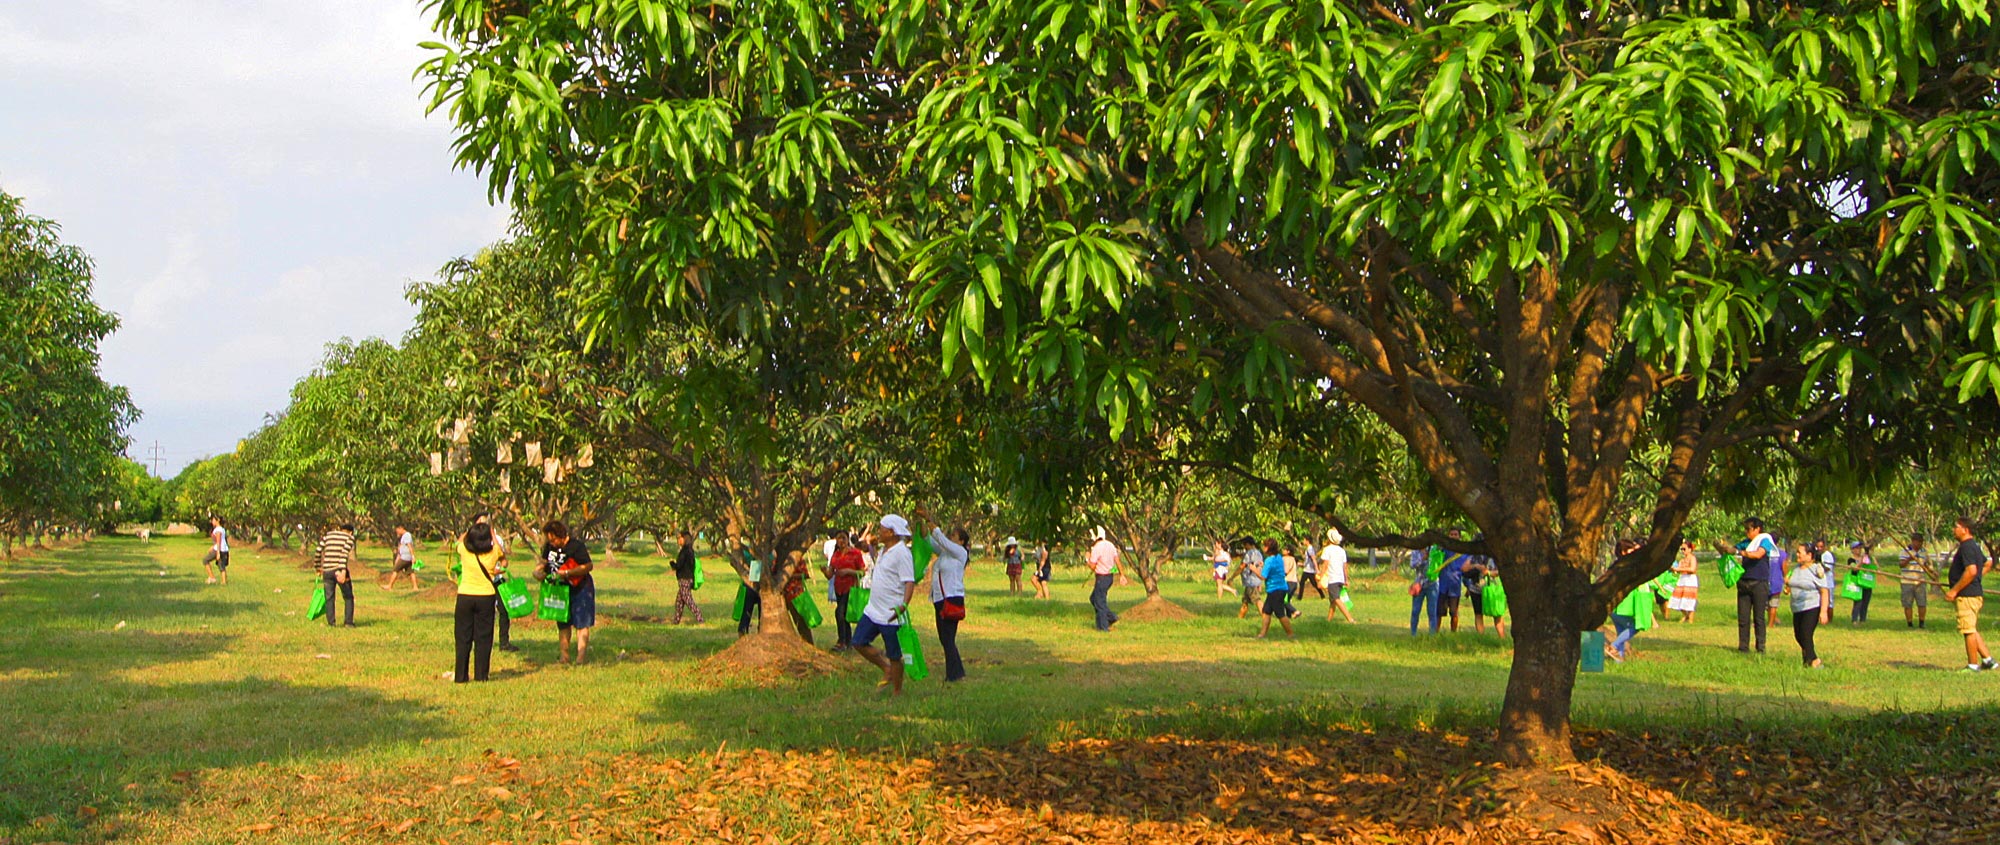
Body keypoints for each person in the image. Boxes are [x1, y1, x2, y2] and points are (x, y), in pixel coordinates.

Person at [852, 515, 917, 695]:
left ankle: (897, 690)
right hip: (873, 609)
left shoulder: (902, 553)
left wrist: (904, 605)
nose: (878, 532)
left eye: (881, 529)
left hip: (891, 613)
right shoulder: (883, 550)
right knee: (858, 642)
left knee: (895, 655)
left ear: (891, 532)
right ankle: (885, 667)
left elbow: (909, 581)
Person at [918, 508, 969, 681]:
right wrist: (922, 522)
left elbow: (939, 537)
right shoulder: (945, 554)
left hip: (951, 598)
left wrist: (928, 516)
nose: (950, 538)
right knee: (945, 638)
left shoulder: (960, 553)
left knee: (947, 638)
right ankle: (955, 672)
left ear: (961, 542)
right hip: (939, 599)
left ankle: (955, 674)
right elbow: (929, 540)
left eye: (954, 536)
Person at [453, 520, 507, 682]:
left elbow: (459, 541)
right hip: (486, 597)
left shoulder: (464, 550)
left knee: (463, 638)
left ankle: (461, 676)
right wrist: (491, 533)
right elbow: (501, 551)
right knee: (483, 638)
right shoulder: (494, 552)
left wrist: (470, 528)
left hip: (465, 596)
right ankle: (481, 676)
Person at [536, 521, 596, 665]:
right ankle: (564, 656)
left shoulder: (576, 546)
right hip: (560, 590)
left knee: (582, 623)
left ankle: (581, 658)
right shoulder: (549, 547)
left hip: (580, 588)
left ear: (562, 536)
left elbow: (588, 566)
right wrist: (538, 571)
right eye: (550, 540)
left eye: (554, 539)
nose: (552, 543)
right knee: (563, 622)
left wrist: (567, 573)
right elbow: (544, 563)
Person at [1944, 517, 1996, 672]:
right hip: (1970, 593)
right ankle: (1988, 660)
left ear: (1965, 529)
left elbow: (1971, 570)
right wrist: (1977, 579)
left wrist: (1954, 590)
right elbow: (1987, 563)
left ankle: (1973, 665)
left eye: (1956, 526)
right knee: (1971, 628)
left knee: (1968, 630)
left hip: (1967, 596)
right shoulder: (1972, 546)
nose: (1954, 529)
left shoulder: (1967, 547)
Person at [1786, 540, 1832, 668]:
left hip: (1811, 606)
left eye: (1800, 553)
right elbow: (1792, 583)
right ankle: (1807, 661)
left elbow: (1824, 591)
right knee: (1798, 635)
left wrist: (1823, 612)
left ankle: (1815, 660)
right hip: (1797, 607)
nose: (1798, 555)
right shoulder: (1796, 569)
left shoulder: (1816, 570)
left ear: (1810, 555)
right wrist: (1787, 587)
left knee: (1806, 633)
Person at [1734, 517, 1778, 653]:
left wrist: (1741, 553)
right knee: (1743, 618)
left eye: (1749, 529)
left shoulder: (1765, 540)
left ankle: (1761, 647)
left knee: (1759, 617)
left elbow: (1759, 554)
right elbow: (1733, 549)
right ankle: (1743, 647)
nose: (1746, 532)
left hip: (1759, 583)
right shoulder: (1746, 543)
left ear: (1758, 529)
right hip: (1744, 582)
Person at [314, 523, 358, 628]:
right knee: (348, 597)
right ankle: (348, 622)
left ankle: (331, 623)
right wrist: (342, 570)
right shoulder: (349, 538)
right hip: (339, 570)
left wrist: (317, 567)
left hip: (327, 570)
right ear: (351, 532)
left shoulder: (328, 535)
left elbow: (318, 550)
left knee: (329, 597)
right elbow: (343, 554)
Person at [826, 532, 864, 650]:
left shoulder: (855, 553)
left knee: (840, 613)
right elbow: (830, 574)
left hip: (850, 588)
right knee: (844, 615)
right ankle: (848, 642)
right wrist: (824, 571)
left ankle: (841, 641)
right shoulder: (836, 555)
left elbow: (862, 572)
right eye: (839, 538)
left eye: (843, 538)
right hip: (839, 588)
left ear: (848, 539)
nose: (841, 541)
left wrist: (848, 571)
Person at [1257, 538, 1295, 639]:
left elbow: (1263, 576)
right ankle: (1262, 634)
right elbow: (1275, 569)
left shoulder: (1269, 560)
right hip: (1279, 588)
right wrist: (1264, 565)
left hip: (1275, 590)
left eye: (1265, 546)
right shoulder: (1278, 557)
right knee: (1266, 611)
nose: (1263, 547)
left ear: (1268, 548)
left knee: (1280, 614)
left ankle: (1291, 634)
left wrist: (1254, 569)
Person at [1087, 527, 1120, 632]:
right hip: (1109, 577)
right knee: (1094, 599)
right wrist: (1122, 574)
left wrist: (1087, 559)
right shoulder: (1110, 545)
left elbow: (1092, 566)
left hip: (1101, 577)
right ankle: (1105, 620)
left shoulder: (1097, 548)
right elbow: (1117, 561)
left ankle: (1105, 625)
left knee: (1099, 602)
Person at [1900, 533, 1935, 629]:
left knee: (1922, 603)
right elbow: (1901, 564)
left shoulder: (1924, 552)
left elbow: (1926, 565)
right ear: (1913, 541)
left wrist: (1932, 572)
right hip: (1907, 581)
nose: (1919, 544)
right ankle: (1910, 623)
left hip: (1920, 581)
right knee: (1907, 604)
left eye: (1921, 542)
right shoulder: (1905, 551)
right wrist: (1909, 559)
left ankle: (1922, 623)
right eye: (1917, 542)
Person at [781, 548, 814, 645]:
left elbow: (805, 574)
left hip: (795, 593)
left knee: (800, 620)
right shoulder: (779, 559)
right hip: (782, 593)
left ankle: (808, 643)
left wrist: (790, 576)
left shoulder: (797, 559)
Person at [1320, 529, 1354, 623]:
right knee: (1333, 601)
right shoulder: (1342, 551)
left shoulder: (1327, 550)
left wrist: (1321, 577)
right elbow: (1345, 567)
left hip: (1332, 578)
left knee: (1336, 599)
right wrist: (1346, 580)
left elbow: (1325, 565)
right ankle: (1328, 620)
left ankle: (1350, 619)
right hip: (1340, 578)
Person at [670, 529, 704, 624]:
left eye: (680, 538)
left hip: (684, 579)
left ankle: (700, 618)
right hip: (688, 579)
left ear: (684, 539)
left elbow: (679, 565)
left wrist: (672, 564)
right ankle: (676, 620)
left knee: (688, 600)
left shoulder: (685, 552)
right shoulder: (690, 551)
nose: (678, 540)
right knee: (679, 601)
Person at [735, 541, 764, 637]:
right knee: (750, 610)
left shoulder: (748, 553)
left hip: (754, 585)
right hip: (755, 585)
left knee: (749, 610)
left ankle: (744, 631)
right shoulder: (768, 554)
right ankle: (744, 631)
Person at [1436, 547, 1467, 633]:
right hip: (1443, 586)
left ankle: (1453, 633)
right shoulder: (1443, 549)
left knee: (1454, 612)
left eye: (1455, 534)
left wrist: (1468, 585)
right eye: (1451, 534)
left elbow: (1466, 569)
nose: (1453, 536)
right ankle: (1435, 632)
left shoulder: (1462, 553)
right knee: (1439, 612)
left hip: (1455, 587)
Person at [1668, 539, 1700, 623]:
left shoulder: (1692, 558)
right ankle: (1686, 615)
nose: (1682, 551)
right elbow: (1678, 570)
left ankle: (1690, 619)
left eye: (1684, 549)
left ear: (1690, 549)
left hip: (1690, 579)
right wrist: (1673, 569)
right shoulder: (1682, 560)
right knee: (1678, 598)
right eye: (1681, 549)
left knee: (1689, 600)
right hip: (1682, 579)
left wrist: (1679, 569)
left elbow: (1692, 569)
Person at [1409, 546, 1438, 635]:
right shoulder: (1415, 551)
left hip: (1432, 584)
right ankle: (1413, 633)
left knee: (1432, 610)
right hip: (1419, 584)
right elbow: (1412, 565)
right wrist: (1422, 559)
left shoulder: (1434, 549)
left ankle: (1432, 633)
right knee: (1415, 610)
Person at [382, 524, 420, 591]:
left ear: (401, 528)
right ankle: (415, 587)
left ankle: (389, 586)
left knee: (395, 570)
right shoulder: (404, 536)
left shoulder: (407, 535)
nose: (397, 532)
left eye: (397, 531)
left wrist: (413, 556)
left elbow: (409, 546)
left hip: (405, 557)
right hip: (407, 557)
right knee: (411, 572)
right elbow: (401, 547)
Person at [1847, 540, 1876, 624]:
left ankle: (1863, 620)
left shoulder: (1866, 558)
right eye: (1856, 548)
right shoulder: (1851, 559)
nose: (1859, 550)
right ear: (1852, 550)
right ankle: (1854, 619)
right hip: (1856, 583)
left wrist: (1870, 556)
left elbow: (1874, 567)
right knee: (1858, 602)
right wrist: (1861, 561)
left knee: (1866, 602)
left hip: (1866, 582)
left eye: (1860, 548)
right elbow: (1854, 568)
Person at [203, 516, 230, 585]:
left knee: (205, 560)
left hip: (219, 549)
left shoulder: (218, 530)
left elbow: (219, 541)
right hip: (224, 549)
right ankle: (224, 581)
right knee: (221, 565)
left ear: (217, 520)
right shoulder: (222, 529)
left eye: (213, 520)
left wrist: (218, 552)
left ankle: (212, 577)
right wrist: (213, 547)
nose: (212, 522)